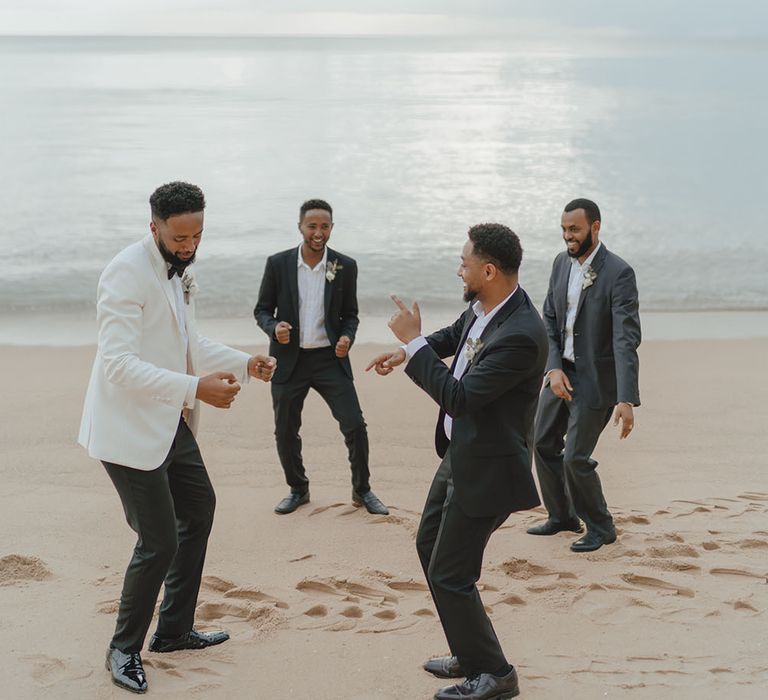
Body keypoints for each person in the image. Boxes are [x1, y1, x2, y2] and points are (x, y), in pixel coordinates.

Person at [78, 182, 276, 694]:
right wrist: (196, 390)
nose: (189, 247)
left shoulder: (179, 273)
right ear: (154, 228)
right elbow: (118, 365)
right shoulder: (124, 273)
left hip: (168, 423)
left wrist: (242, 362)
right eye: (180, 238)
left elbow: (187, 339)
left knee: (200, 508)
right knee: (159, 540)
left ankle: (173, 630)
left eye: (197, 237)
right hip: (127, 429)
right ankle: (123, 648)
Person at [367, 223, 547, 700]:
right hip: (460, 456)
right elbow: (455, 336)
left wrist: (416, 345)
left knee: (451, 573)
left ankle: (495, 674)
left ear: (488, 270)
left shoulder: (523, 334)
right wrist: (409, 348)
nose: (459, 268)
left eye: (464, 262)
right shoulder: (486, 307)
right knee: (430, 548)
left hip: (490, 469)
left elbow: (460, 396)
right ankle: (470, 655)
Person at [254, 199, 388, 516]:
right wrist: (274, 329)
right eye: (312, 226)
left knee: (355, 425)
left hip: (330, 360)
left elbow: (350, 316)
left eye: (324, 226)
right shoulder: (278, 264)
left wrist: (346, 338)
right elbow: (261, 310)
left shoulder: (344, 266)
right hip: (290, 360)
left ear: (331, 228)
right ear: (300, 226)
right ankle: (298, 489)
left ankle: (362, 490)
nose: (318, 232)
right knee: (285, 431)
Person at [527, 198, 641, 553]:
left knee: (576, 457)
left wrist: (625, 397)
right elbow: (548, 318)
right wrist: (553, 367)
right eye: (563, 230)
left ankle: (601, 526)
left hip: (596, 380)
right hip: (562, 372)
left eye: (574, 229)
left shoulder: (619, 273)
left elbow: (626, 338)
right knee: (543, 442)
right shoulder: (561, 264)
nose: (568, 237)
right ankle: (561, 516)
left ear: (595, 227)